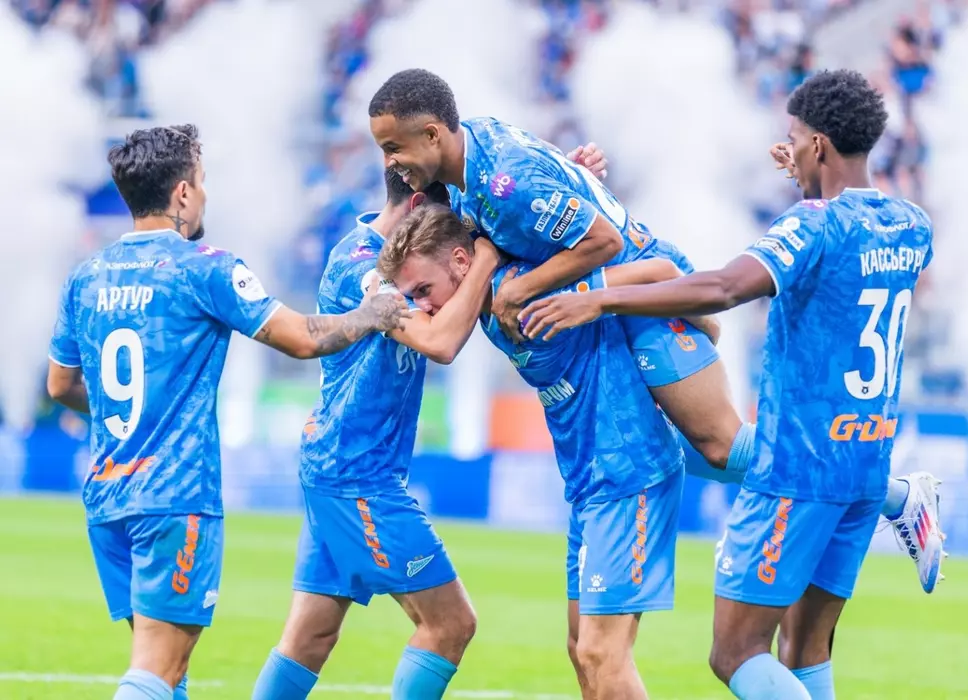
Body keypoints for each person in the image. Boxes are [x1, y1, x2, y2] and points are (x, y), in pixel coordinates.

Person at [367, 67, 945, 595]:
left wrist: (525, 289)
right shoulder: (478, 157)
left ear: (434, 133)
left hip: (643, 288)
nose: (389, 162)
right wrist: (572, 177)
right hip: (625, 297)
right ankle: (860, 498)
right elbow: (536, 196)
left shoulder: (500, 180)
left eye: (393, 148)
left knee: (719, 442)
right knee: (690, 450)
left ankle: (884, 497)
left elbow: (603, 240)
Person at [519, 69, 944, 699]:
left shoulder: (813, 223)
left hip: (795, 468)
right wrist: (811, 175)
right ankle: (897, 497)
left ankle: (900, 499)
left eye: (793, 139)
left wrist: (599, 299)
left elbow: (724, 287)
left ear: (819, 144)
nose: (787, 149)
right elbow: (845, 242)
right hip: (864, 460)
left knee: (736, 652)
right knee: (805, 650)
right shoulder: (912, 223)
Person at [45, 124, 409, 700]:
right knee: (159, 669)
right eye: (202, 181)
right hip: (173, 497)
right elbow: (302, 338)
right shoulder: (204, 268)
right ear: (183, 193)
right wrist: (370, 315)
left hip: (108, 497)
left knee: (168, 671)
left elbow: (61, 383)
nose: (205, 194)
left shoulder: (85, 276)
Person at [253, 150, 609, 700]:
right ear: (419, 202)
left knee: (310, 638)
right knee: (450, 624)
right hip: (357, 475)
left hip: (339, 467)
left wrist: (564, 174)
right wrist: (485, 261)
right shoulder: (364, 265)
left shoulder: (409, 249)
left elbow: (494, 214)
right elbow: (439, 342)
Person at [377, 204, 699, 700]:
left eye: (424, 290)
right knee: (581, 648)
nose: (422, 305)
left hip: (629, 469)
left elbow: (662, 272)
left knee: (601, 652)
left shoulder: (529, 290)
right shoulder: (489, 304)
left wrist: (701, 328)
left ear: (461, 262)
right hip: (589, 482)